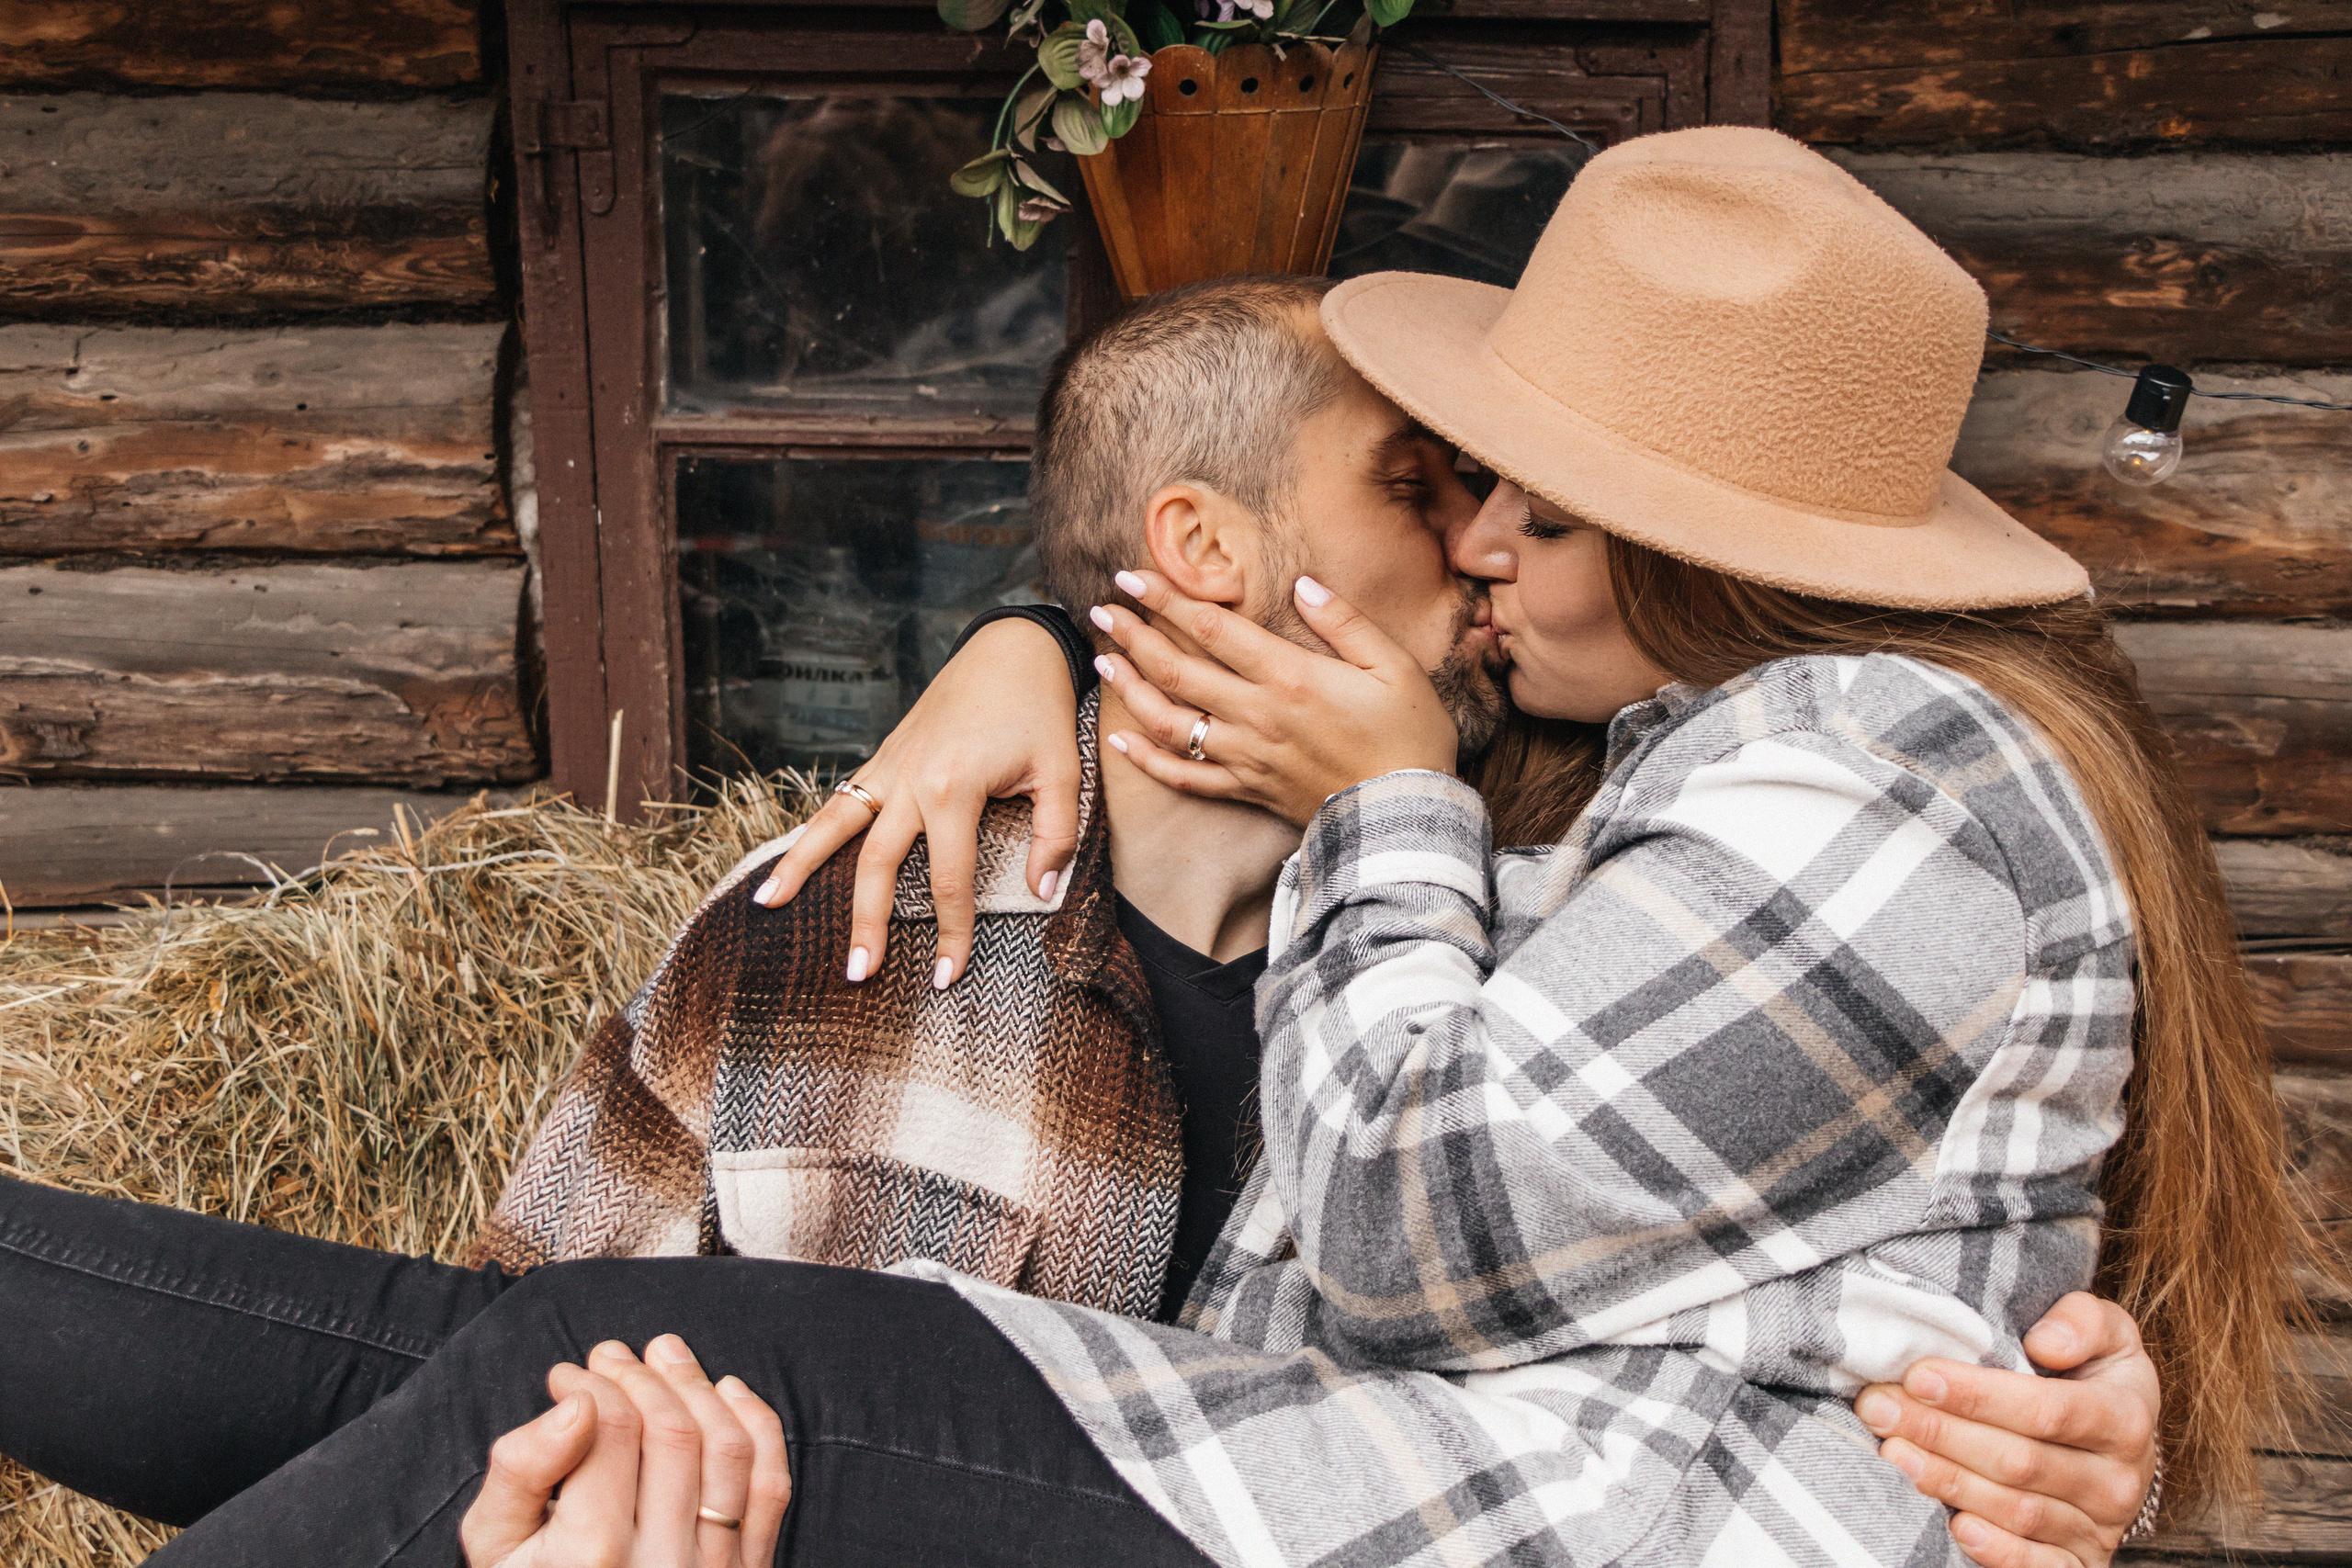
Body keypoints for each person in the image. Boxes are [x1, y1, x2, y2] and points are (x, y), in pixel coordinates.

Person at [0, 141, 2171, 1566]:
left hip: (1480, 1513)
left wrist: (1374, 792)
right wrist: (1038, 648)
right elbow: (550, 1337)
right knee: (532, 1362)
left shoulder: (1676, 806)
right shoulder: (916, 906)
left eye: (1523, 495)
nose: (1481, 543)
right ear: (1206, 555)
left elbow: (1467, 1230)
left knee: (619, 1374)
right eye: (1439, 485)